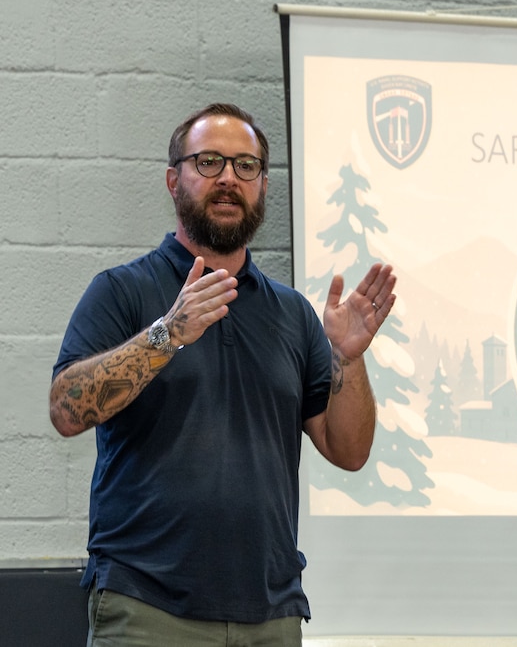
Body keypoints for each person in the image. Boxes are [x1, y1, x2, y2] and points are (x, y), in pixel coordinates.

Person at [49, 102, 395, 646]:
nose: (229, 178)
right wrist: (167, 334)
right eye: (209, 162)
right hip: (147, 609)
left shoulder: (293, 315)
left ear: (262, 185)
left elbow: (348, 451)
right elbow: (66, 410)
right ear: (173, 179)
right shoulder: (122, 291)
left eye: (246, 166)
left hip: (271, 613)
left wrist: (348, 359)